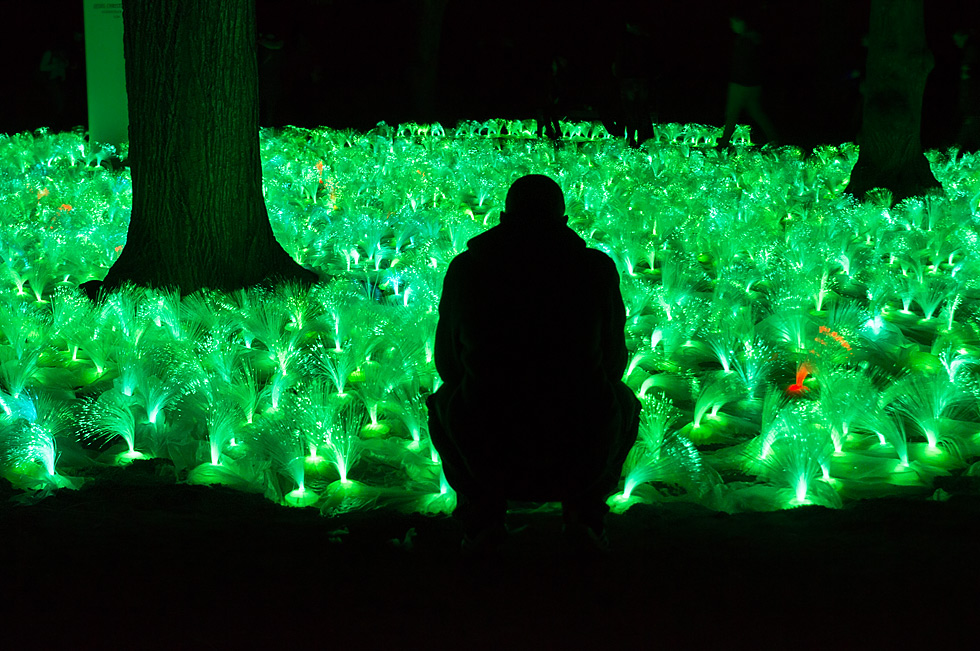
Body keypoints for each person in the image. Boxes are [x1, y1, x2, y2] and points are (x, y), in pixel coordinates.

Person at [427, 174, 641, 552]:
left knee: (444, 401)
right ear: (563, 221)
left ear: (504, 217)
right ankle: (585, 520)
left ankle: (482, 524)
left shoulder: (467, 269)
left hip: (488, 448)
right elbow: (613, 363)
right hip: (579, 446)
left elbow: (447, 363)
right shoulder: (595, 270)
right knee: (623, 401)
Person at [716, 12, 778, 150]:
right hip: (754, 85)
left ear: (742, 23)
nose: (732, 26)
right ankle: (774, 138)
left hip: (740, 84)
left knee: (732, 113)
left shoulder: (744, 41)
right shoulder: (756, 39)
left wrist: (736, 81)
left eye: (734, 23)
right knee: (756, 112)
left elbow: (741, 65)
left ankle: (724, 142)